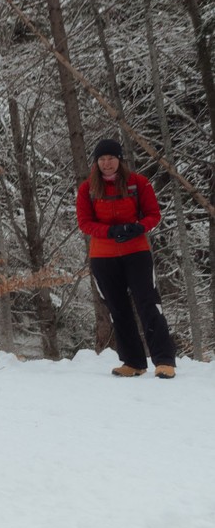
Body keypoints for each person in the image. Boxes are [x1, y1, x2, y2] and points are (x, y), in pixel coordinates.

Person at [76, 139, 177, 379]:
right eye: (102, 159)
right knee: (117, 309)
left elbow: (154, 214)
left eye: (111, 158)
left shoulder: (138, 183)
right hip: (103, 256)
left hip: (136, 252)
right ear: (96, 163)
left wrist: (138, 228)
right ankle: (133, 362)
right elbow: (85, 223)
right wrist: (109, 232)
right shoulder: (87, 188)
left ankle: (164, 360)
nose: (107, 163)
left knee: (148, 303)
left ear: (120, 159)